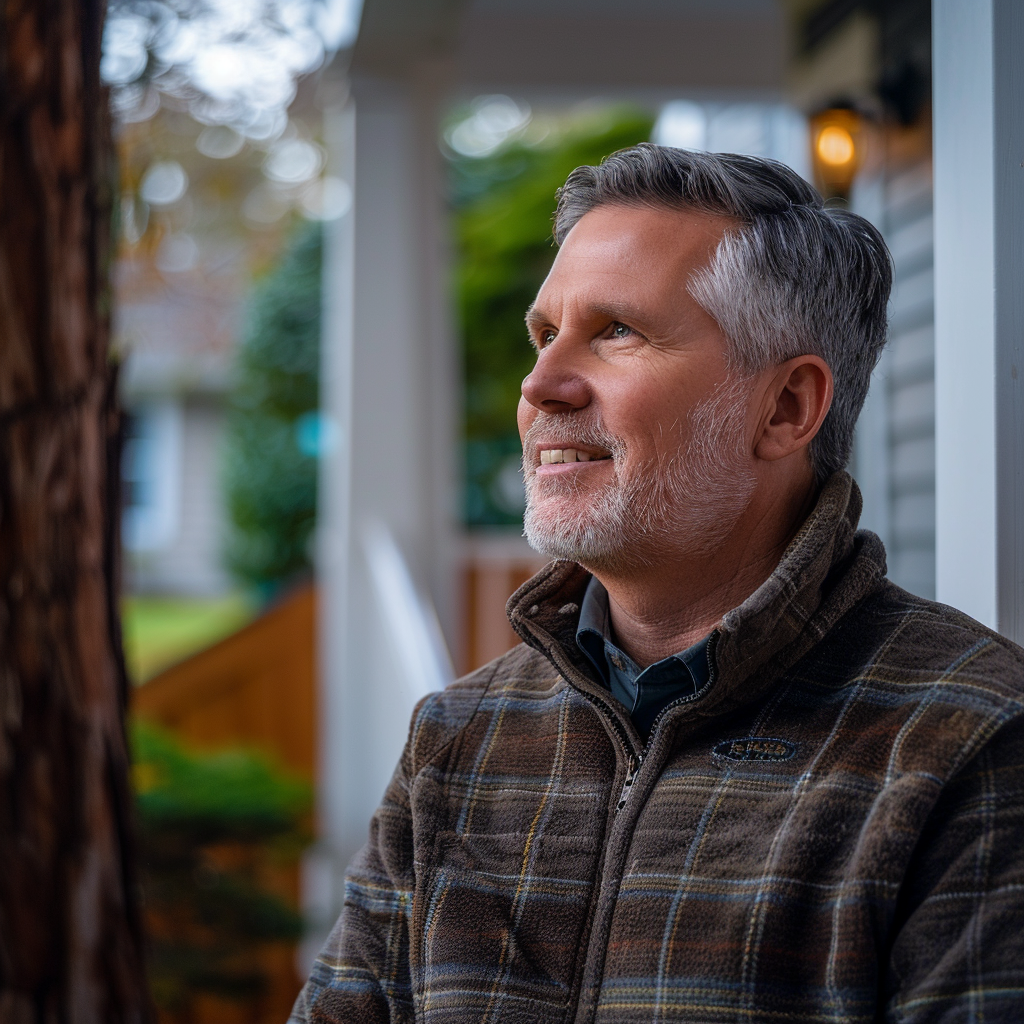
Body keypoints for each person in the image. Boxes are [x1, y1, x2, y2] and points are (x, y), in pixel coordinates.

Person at [291, 145, 1024, 1023]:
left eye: (617, 332)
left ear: (786, 408)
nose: (540, 384)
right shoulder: (460, 739)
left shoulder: (969, 739)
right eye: (544, 334)